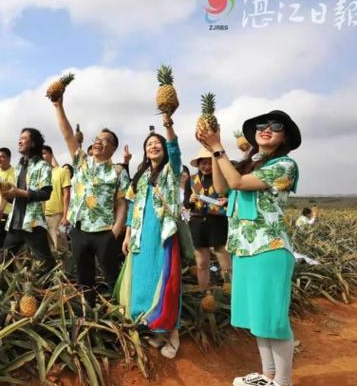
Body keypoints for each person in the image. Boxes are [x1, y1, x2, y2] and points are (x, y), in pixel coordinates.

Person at [197, 110, 301, 386]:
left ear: (285, 137)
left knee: (273, 320)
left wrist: (219, 147)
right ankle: (268, 375)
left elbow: (237, 183)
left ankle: (284, 381)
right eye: (261, 125)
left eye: (275, 126)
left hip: (269, 248)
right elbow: (222, 187)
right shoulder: (249, 163)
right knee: (259, 316)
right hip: (244, 249)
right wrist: (211, 151)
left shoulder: (285, 165)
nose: (266, 129)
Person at [115, 112, 183, 359]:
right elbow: (132, 206)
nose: (153, 147)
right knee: (143, 281)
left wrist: (167, 123)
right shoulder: (142, 176)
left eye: (157, 144)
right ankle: (155, 327)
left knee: (165, 281)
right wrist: (127, 235)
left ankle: (173, 334)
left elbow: (175, 150)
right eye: (148, 144)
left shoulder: (171, 171)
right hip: (140, 234)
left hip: (162, 234)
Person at [53, 94, 129, 307]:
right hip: (79, 230)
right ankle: (89, 309)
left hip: (105, 232)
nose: (98, 141)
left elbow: (122, 202)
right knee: (84, 276)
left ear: (113, 148)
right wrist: (59, 106)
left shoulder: (118, 171)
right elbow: (68, 134)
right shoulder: (80, 162)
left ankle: (118, 312)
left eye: (104, 140)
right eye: (96, 138)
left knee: (111, 274)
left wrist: (116, 229)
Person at [0, 128, 57, 275]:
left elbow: (45, 194)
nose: (19, 140)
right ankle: (10, 290)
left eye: (24, 138)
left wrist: (18, 192)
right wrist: (9, 195)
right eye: (20, 138)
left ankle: (45, 292)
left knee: (46, 262)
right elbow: (17, 197)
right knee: (3, 260)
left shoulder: (42, 166)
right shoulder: (19, 167)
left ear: (33, 143)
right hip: (15, 221)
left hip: (33, 222)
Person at [185, 148, 232, 290]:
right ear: (198, 164)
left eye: (210, 163)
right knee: (201, 264)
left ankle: (230, 292)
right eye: (203, 163)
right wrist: (190, 200)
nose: (206, 166)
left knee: (226, 265)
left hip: (218, 223)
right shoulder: (191, 180)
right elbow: (186, 204)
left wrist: (227, 201)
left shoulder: (223, 179)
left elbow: (232, 200)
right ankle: (204, 291)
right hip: (198, 224)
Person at [41, 145, 72, 255]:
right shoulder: (38, 174)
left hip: (57, 216)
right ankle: (53, 273)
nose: (41, 156)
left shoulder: (61, 172)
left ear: (51, 155)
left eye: (44, 153)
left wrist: (65, 216)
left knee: (60, 249)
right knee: (46, 251)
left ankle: (65, 272)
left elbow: (66, 195)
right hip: (40, 217)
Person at [0, 147, 15, 248]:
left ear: (9, 158)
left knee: (10, 243)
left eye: (2, 157)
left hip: (12, 213)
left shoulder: (16, 172)